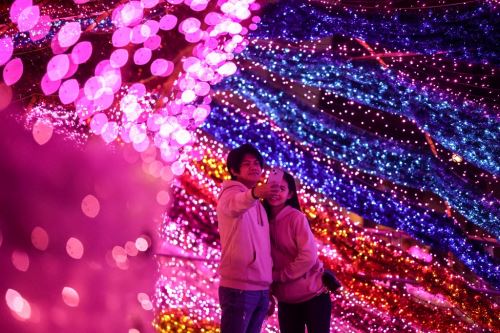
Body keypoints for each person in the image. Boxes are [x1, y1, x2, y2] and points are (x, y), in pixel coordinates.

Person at [216, 143, 280, 333]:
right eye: (246, 164)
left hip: (259, 288)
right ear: (234, 170)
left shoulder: (258, 204)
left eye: (256, 163)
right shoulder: (230, 194)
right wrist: (254, 193)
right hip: (239, 287)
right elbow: (234, 205)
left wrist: (267, 288)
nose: (254, 167)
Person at [264, 171, 332, 333]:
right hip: (286, 301)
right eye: (272, 188)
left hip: (313, 297)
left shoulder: (296, 218)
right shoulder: (261, 218)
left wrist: (280, 276)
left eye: (281, 189)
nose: (275, 193)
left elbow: (308, 256)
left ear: (290, 194)